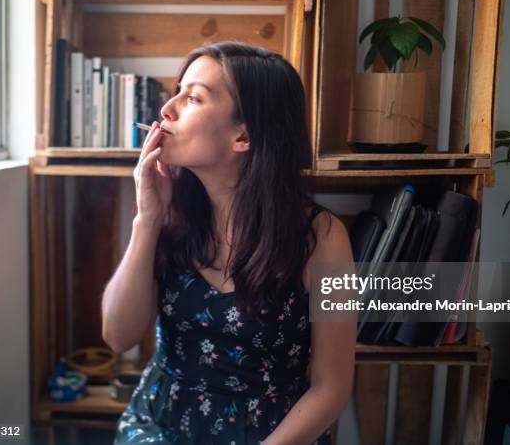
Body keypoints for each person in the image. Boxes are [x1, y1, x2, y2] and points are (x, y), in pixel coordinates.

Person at [102, 41, 357, 445]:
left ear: (244, 135)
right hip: (161, 426)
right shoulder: (168, 216)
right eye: (177, 92)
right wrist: (146, 219)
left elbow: (331, 387)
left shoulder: (323, 239)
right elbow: (118, 336)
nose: (167, 110)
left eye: (194, 98)